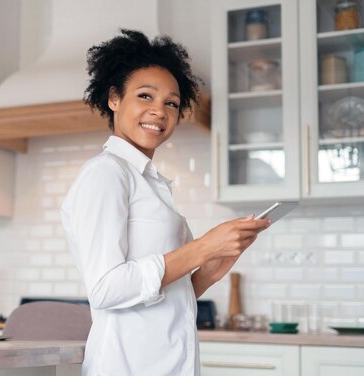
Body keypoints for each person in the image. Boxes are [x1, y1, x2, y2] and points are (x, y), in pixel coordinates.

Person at [61, 29, 270, 376]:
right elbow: (105, 289)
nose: (159, 111)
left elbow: (169, 291)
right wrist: (203, 247)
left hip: (171, 363)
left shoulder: (151, 182)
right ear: (114, 98)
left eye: (171, 103)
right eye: (145, 96)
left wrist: (212, 268)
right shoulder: (105, 174)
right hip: (126, 366)